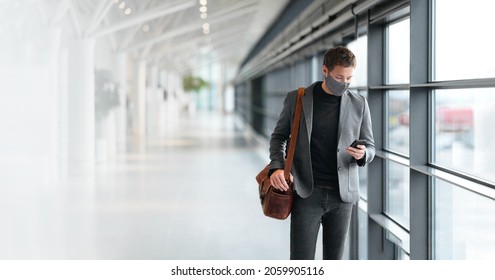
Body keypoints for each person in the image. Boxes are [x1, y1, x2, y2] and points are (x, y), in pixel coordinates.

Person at [268, 46, 375, 260]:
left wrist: (363, 154)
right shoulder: (297, 99)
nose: (343, 83)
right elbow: (279, 137)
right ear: (325, 71)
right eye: (338, 77)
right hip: (307, 193)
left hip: (342, 197)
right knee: (301, 260)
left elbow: (371, 146)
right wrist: (277, 167)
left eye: (349, 78)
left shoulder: (359, 104)